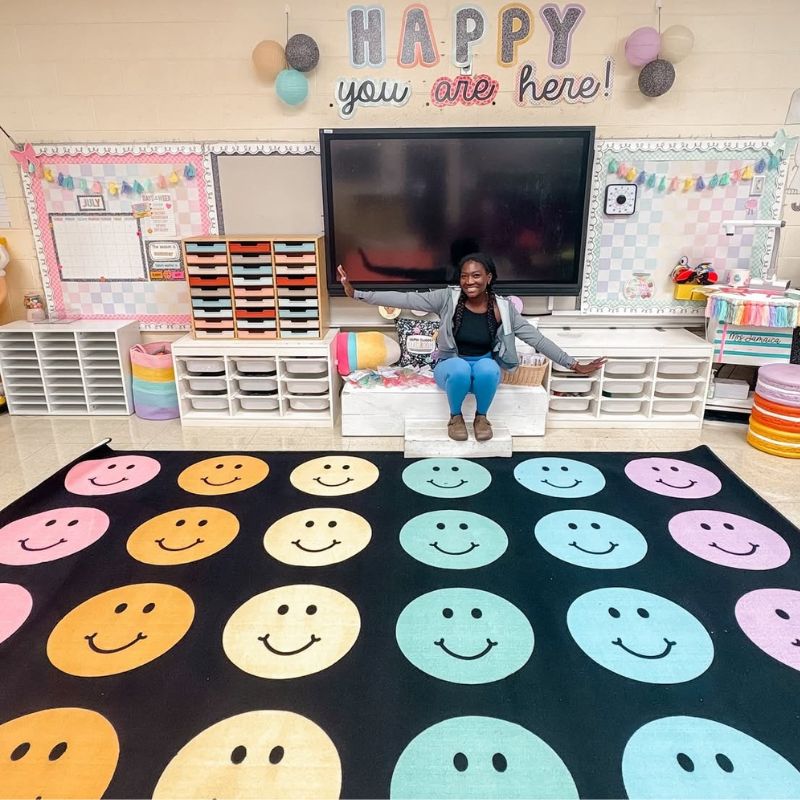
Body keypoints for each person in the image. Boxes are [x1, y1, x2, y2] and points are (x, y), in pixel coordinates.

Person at [337, 254, 606, 442]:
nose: (469, 281)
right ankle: (455, 417)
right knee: (460, 368)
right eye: (464, 276)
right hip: (450, 366)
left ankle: (481, 418)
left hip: (483, 365)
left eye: (476, 275)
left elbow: (537, 339)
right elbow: (406, 297)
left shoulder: (504, 308)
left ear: (488, 277)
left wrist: (573, 364)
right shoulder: (447, 298)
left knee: (489, 367)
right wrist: (357, 293)